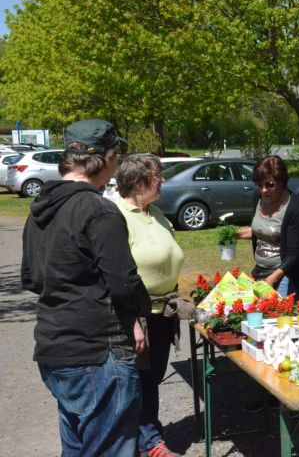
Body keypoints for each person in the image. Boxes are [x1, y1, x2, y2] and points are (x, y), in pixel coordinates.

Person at [21, 119, 151, 456]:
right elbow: (124, 285)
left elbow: (32, 278)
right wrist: (142, 307)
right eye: (117, 156)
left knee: (78, 448)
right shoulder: (98, 210)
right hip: (96, 353)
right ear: (107, 159)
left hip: (55, 350)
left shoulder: (38, 210)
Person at [115, 154, 188, 457]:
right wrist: (131, 318)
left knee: (152, 379)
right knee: (138, 382)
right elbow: (117, 274)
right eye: (158, 175)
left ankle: (149, 437)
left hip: (162, 312)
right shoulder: (117, 215)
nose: (163, 180)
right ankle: (146, 442)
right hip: (139, 316)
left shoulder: (154, 211)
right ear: (139, 181)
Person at [237, 155, 299, 297]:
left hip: (287, 274)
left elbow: (294, 252)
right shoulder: (257, 198)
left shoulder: (295, 207)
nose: (264, 190)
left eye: (269, 184)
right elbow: (260, 230)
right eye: (259, 185)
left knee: (280, 316)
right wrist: (232, 235)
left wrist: (271, 279)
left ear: (281, 182)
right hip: (261, 270)